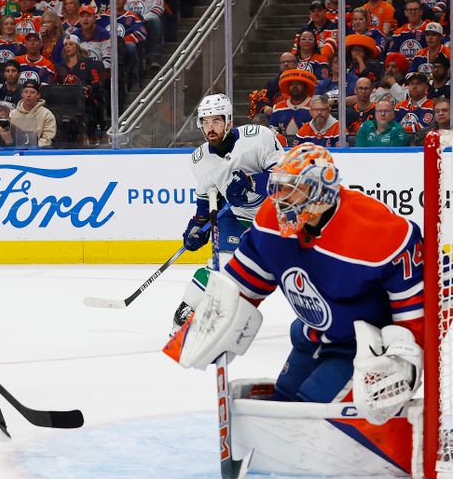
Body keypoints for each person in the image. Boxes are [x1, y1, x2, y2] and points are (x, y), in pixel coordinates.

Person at [167, 144, 424, 453]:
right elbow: (241, 287)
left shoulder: (380, 234)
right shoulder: (270, 221)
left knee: (307, 420)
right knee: (284, 405)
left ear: (322, 193)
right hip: (310, 338)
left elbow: (418, 313)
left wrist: (403, 359)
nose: (282, 200)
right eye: (280, 188)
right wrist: (207, 317)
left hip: (361, 351)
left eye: (295, 191)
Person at [171, 93, 283, 334]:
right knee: (222, 264)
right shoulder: (199, 159)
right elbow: (206, 200)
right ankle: (186, 312)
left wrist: (253, 182)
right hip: (238, 216)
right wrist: (197, 227)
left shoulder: (259, 137)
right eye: (205, 122)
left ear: (229, 121)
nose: (210, 128)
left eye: (216, 121)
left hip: (275, 216)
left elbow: (285, 176)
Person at [9, 79, 56, 147]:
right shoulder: (12, 114)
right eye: (25, 92)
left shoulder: (47, 114)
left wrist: (31, 146)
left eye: (32, 92)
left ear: (38, 95)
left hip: (38, 153)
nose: (28, 95)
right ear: (22, 94)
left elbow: (48, 139)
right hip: (16, 152)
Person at [269, 68, 316, 137]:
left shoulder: (315, 106)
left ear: (305, 86)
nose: (294, 86)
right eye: (292, 84)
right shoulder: (277, 107)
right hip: (283, 146)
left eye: (298, 84)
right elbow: (272, 133)